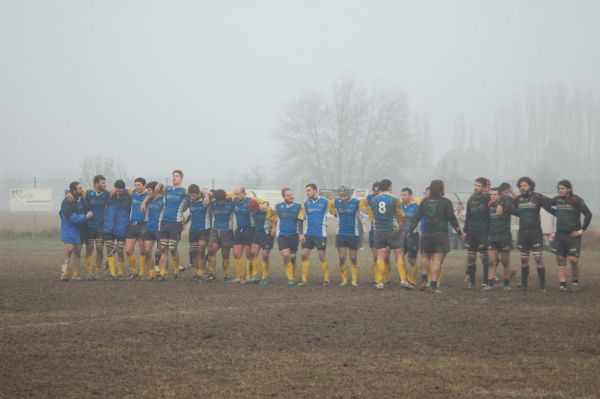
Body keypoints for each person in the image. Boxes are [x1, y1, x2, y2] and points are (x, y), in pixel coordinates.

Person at [409, 180, 462, 294]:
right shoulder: (446, 202)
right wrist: (459, 232)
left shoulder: (425, 202)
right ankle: (433, 285)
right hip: (441, 234)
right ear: (441, 189)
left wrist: (410, 230)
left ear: (431, 189)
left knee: (425, 257)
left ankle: (423, 281)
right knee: (437, 261)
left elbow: (416, 217)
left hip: (427, 233)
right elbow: (452, 218)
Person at [511, 177, 554, 292]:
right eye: (520, 186)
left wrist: (562, 215)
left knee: (538, 259)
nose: (522, 188)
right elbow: (512, 210)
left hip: (535, 232)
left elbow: (550, 207)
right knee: (524, 260)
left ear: (530, 186)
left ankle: (542, 286)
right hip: (522, 233)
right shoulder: (518, 199)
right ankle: (524, 285)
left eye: (524, 185)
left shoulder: (537, 197)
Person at [549, 180, 592, 291]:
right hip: (560, 234)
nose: (560, 190)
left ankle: (575, 282)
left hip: (573, 235)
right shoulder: (557, 199)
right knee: (560, 259)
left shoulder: (576, 200)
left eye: (562, 188)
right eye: (559, 188)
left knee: (573, 260)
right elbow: (546, 204)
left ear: (569, 189)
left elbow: (588, 214)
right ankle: (562, 284)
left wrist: (581, 230)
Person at [368, 179, 407, 290]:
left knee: (380, 255)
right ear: (389, 187)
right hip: (392, 230)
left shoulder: (373, 200)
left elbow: (372, 217)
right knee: (399, 254)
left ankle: (379, 282)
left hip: (379, 231)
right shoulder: (394, 199)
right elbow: (401, 216)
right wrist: (400, 229)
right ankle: (403, 280)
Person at [59, 182, 93, 281]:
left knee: (78, 252)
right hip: (69, 230)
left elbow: (86, 210)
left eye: (81, 188)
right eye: (79, 189)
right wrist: (86, 216)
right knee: (69, 251)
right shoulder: (66, 202)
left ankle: (75, 275)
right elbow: (72, 219)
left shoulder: (82, 200)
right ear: (74, 190)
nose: (82, 190)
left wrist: (88, 214)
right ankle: (64, 274)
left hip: (80, 230)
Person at [157, 170, 187, 280]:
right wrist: (159, 185)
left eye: (176, 176)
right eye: (173, 176)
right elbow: (156, 189)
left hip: (175, 223)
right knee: (163, 248)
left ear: (181, 178)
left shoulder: (184, 191)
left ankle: (176, 270)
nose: (174, 178)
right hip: (164, 222)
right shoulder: (167, 189)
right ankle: (162, 273)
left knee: (172, 248)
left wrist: (207, 196)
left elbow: (198, 193)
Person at [482, 187, 513, 291]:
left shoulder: (506, 205)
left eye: (495, 194)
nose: (492, 196)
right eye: (491, 194)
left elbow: (510, 200)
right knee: (491, 261)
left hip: (504, 237)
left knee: (505, 262)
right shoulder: (489, 206)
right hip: (492, 237)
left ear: (500, 196)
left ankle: (506, 284)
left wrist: (501, 205)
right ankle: (490, 284)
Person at [462, 177, 491, 289]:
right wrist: (465, 232)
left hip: (484, 232)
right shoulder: (471, 199)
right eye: (475, 185)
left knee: (484, 258)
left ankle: (485, 282)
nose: (476, 188)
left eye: (478, 186)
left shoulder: (488, 198)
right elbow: (468, 217)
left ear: (484, 188)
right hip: (471, 232)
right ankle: (471, 282)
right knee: (471, 257)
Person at [300, 183, 331, 286]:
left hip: (320, 234)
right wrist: (301, 233)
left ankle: (326, 279)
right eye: (306, 191)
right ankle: (304, 280)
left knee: (322, 256)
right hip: (308, 234)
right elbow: (300, 219)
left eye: (309, 190)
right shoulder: (305, 204)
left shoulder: (326, 202)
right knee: (304, 255)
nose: (307, 192)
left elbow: (335, 213)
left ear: (315, 190)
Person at [330, 186, 361, 286]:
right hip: (341, 233)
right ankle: (344, 279)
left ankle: (354, 280)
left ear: (349, 195)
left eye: (344, 196)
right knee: (342, 257)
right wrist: (334, 213)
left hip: (353, 234)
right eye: (341, 195)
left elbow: (364, 213)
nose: (342, 198)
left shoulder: (356, 202)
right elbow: (329, 206)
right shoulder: (336, 202)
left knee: (353, 258)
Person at [273, 188, 304, 286]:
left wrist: (301, 233)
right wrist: (273, 228)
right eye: (288, 195)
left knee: (293, 257)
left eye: (291, 194)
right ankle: (290, 278)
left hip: (294, 235)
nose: (291, 196)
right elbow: (274, 218)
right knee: (286, 255)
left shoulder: (299, 206)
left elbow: (300, 221)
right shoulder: (278, 206)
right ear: (284, 197)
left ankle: (293, 276)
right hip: (282, 234)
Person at [104, 179, 132, 279]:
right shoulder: (109, 195)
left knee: (120, 251)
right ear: (114, 188)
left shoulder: (129, 197)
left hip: (122, 227)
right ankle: (112, 273)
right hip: (109, 227)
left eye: (120, 191)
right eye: (117, 190)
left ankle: (120, 272)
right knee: (109, 249)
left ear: (123, 189)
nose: (118, 192)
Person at [232, 186, 260, 283]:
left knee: (249, 254)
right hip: (239, 229)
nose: (235, 196)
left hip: (250, 229)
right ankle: (238, 277)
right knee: (236, 254)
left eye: (237, 194)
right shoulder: (234, 202)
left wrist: (259, 206)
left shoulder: (250, 202)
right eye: (234, 194)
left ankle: (249, 276)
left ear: (244, 193)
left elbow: (260, 206)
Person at [183, 184, 211, 282]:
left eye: (193, 195)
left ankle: (200, 274)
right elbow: (191, 212)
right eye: (190, 195)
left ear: (199, 193)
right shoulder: (189, 200)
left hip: (204, 229)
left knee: (200, 251)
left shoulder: (205, 199)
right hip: (193, 229)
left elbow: (213, 193)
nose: (192, 197)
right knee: (193, 253)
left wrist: (207, 195)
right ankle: (196, 272)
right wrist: (185, 222)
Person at [207, 189, 236, 282]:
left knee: (225, 253)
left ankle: (226, 275)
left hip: (227, 231)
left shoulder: (231, 204)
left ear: (225, 198)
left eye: (222, 200)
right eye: (218, 200)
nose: (220, 202)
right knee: (211, 251)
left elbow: (237, 196)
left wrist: (228, 194)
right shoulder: (213, 203)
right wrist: (208, 195)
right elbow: (203, 192)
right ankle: (212, 273)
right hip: (215, 230)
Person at [83, 175, 109, 279]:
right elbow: (71, 193)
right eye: (102, 183)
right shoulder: (88, 193)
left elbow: (121, 190)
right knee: (89, 248)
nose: (104, 184)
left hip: (100, 226)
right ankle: (89, 272)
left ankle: (98, 272)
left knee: (99, 248)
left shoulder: (106, 194)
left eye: (105, 182)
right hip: (89, 226)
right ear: (96, 184)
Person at [125, 177, 148, 279]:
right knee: (128, 250)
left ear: (144, 185)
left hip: (143, 224)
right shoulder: (133, 192)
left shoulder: (149, 194)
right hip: (132, 224)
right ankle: (134, 271)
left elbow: (156, 192)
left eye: (139, 185)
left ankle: (142, 273)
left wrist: (144, 201)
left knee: (142, 250)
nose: (137, 187)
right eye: (136, 185)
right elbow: (123, 189)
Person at [141, 181, 164, 281]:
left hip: (160, 229)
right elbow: (142, 209)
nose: (148, 192)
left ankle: (163, 273)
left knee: (162, 251)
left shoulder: (164, 199)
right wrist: (145, 201)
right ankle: (152, 273)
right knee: (147, 251)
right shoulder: (149, 199)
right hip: (149, 228)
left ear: (156, 189)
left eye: (149, 190)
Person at [252, 200, 278, 285]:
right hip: (257, 234)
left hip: (267, 234)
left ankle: (264, 277)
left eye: (264, 205)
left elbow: (275, 217)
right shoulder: (254, 210)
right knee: (254, 253)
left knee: (265, 255)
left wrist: (273, 228)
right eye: (261, 204)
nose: (262, 206)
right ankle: (254, 276)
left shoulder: (269, 211)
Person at [400, 187, 421, 286]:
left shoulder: (416, 206)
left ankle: (412, 280)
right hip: (401, 235)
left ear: (410, 196)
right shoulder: (400, 206)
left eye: (405, 195)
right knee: (399, 258)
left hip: (413, 235)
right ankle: (404, 280)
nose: (403, 197)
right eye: (402, 195)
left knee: (411, 259)